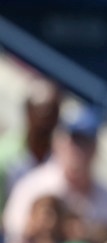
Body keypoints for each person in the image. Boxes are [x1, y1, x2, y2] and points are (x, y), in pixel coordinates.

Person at [2, 106, 107, 243]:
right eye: (73, 139)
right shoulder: (31, 188)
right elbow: (13, 241)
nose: (77, 150)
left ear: (95, 147)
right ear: (58, 142)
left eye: (85, 141)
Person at [0, 77, 62, 218]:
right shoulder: (4, 153)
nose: (46, 120)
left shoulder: (62, 160)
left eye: (52, 112)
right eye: (42, 111)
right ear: (28, 111)